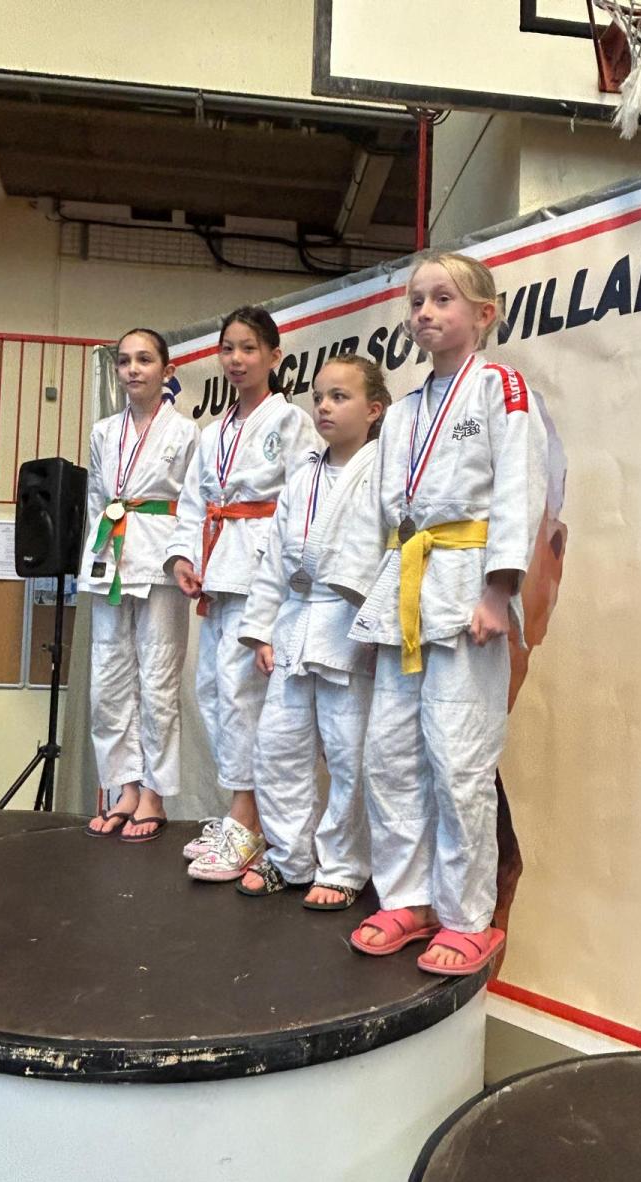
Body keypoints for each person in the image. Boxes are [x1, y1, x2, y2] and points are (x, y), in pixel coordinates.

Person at [329, 251, 548, 975]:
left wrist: (498, 589)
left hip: (466, 589)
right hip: (408, 591)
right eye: (417, 300)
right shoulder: (405, 410)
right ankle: (408, 898)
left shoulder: (501, 388)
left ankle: (466, 916)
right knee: (390, 756)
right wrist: (369, 603)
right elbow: (382, 513)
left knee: (459, 761)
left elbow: (519, 491)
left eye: (442, 299)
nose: (424, 311)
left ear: (483, 314)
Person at [165, 306, 321, 881]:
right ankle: (241, 815)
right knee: (212, 691)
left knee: (243, 697)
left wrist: (291, 575)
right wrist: (184, 556)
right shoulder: (213, 433)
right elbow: (192, 503)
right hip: (218, 564)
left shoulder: (293, 423)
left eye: (249, 348)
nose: (236, 359)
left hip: (262, 571)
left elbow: (306, 500)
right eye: (228, 348)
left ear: (274, 356)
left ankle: (248, 819)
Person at [236, 355, 390, 908]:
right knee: (277, 749)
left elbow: (389, 557)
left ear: (374, 410)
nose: (324, 406)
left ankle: (344, 867)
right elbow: (274, 559)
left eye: (339, 397)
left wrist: (377, 626)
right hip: (294, 623)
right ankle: (289, 857)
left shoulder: (383, 473)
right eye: (319, 397)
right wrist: (261, 630)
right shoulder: (302, 476)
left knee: (349, 756)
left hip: (348, 627)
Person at [81, 328, 199, 842]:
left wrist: (185, 556)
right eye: (125, 360)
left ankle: (154, 792)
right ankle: (123, 786)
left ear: (167, 371)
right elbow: (95, 497)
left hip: (161, 558)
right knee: (108, 678)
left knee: (158, 679)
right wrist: (95, 554)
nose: (133, 369)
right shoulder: (104, 432)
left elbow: (195, 505)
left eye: (144, 360)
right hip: (111, 554)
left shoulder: (187, 432)